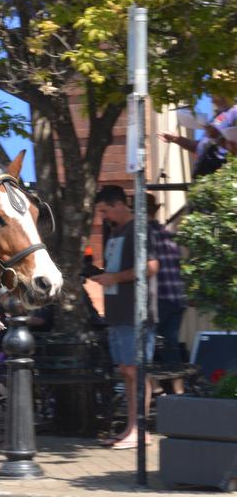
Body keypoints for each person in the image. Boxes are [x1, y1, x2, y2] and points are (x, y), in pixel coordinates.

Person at [90, 185, 161, 449]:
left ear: (120, 204)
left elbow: (152, 266)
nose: (104, 216)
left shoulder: (139, 228)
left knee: (136, 371)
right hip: (117, 312)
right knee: (127, 371)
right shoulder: (115, 232)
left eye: (105, 210)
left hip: (136, 313)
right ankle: (132, 428)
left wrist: (113, 277)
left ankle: (140, 430)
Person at [145, 195, 187, 395]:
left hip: (158, 298)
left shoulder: (144, 235)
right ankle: (178, 390)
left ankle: (155, 388)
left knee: (146, 346)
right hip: (177, 297)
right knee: (170, 345)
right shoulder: (168, 233)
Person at [161, 95, 235, 179]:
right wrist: (176, 138)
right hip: (201, 170)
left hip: (214, 174)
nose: (211, 100)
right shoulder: (220, 116)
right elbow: (199, 147)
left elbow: (230, 145)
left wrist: (215, 134)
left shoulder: (233, 113)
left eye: (215, 93)